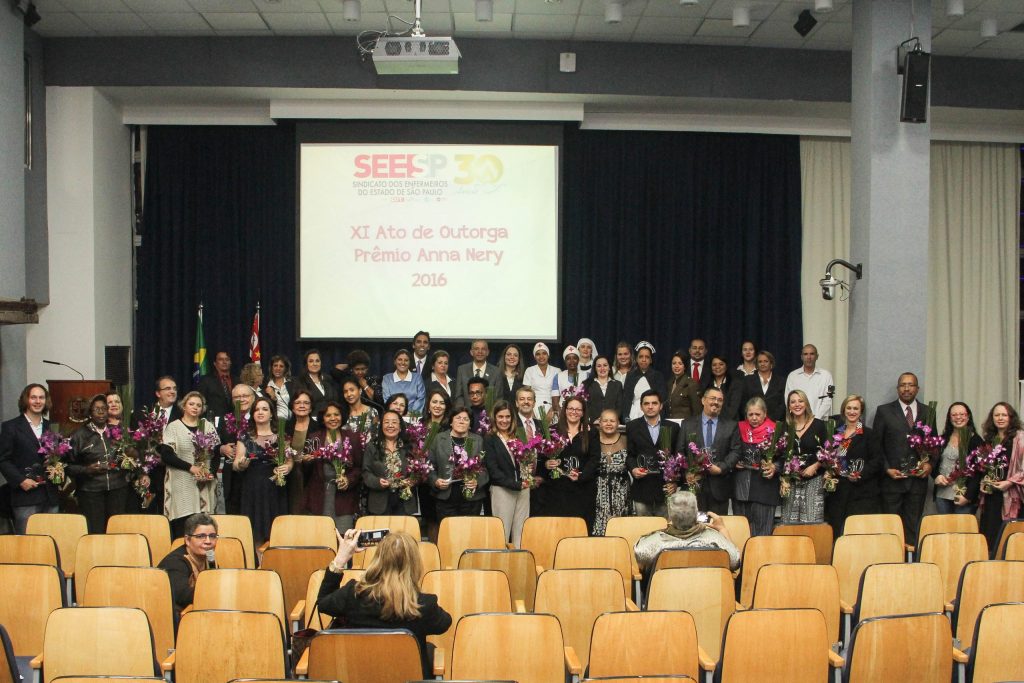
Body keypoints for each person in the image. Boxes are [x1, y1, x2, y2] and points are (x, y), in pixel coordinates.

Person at [318, 530, 452, 678]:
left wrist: (340, 560)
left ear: (378, 560)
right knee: (429, 649)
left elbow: (322, 603)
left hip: (360, 676)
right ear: (414, 565)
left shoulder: (352, 594)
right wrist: (416, 593)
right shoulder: (424, 604)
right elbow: (445, 623)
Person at [873, 372, 932, 547]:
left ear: (917, 389)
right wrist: (886, 468)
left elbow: (933, 443)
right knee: (891, 529)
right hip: (892, 482)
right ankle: (891, 559)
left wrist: (930, 464)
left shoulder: (928, 412)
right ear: (897, 388)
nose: (907, 388)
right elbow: (877, 445)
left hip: (917, 483)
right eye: (903, 385)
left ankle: (911, 560)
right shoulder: (884, 411)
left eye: (910, 385)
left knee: (913, 527)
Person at [159, 391, 220, 538]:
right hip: (182, 484)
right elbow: (167, 455)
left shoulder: (208, 426)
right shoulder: (174, 427)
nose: (195, 407)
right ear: (184, 406)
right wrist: (191, 468)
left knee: (203, 525)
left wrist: (210, 472)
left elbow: (216, 453)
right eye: (191, 404)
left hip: (204, 483)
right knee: (184, 526)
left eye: (199, 405)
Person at [633, 490, 740, 573]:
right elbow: (735, 561)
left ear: (670, 515)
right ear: (696, 512)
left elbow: (640, 560)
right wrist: (722, 529)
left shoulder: (654, 543)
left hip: (666, 595)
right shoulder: (714, 539)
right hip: (707, 594)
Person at [0, 384, 59, 534]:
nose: (38, 401)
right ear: (26, 400)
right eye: (33, 397)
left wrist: (58, 470)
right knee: (27, 543)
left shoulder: (52, 427)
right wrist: (20, 480)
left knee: (51, 540)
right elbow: (3, 460)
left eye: (41, 397)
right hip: (25, 496)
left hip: (50, 495)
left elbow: (57, 456)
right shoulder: (11, 427)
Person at [67, 394, 130, 534]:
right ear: (90, 412)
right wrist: (86, 470)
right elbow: (68, 466)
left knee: (117, 531)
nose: (101, 412)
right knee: (96, 532)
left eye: (104, 408)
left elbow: (128, 457)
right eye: (97, 409)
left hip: (117, 489)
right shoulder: (79, 435)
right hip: (91, 492)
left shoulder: (117, 432)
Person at [234, 396, 292, 544]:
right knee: (254, 530)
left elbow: (289, 460)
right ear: (252, 414)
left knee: (276, 530)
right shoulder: (244, 436)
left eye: (265, 409)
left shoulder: (282, 436)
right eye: (257, 410)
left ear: (271, 414)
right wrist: (241, 464)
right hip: (253, 487)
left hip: (275, 487)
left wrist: (288, 467)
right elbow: (236, 463)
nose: (260, 412)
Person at [825, 395, 883, 537]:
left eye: (856, 409)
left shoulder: (869, 434)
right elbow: (829, 456)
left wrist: (859, 474)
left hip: (861, 493)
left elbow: (877, 461)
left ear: (861, 411)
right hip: (838, 493)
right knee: (837, 533)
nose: (852, 412)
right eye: (849, 408)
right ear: (843, 410)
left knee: (857, 534)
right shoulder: (836, 433)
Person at [678, 386, 742, 516]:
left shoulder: (731, 425)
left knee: (717, 525)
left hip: (720, 487)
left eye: (720, 400)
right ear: (703, 400)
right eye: (713, 398)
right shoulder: (687, 424)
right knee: (693, 525)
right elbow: (680, 452)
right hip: (694, 486)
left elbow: (736, 451)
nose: (716, 402)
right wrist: (687, 472)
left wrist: (721, 468)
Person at [303, 401, 362, 533]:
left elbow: (359, 468)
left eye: (336, 414)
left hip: (344, 499)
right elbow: (306, 472)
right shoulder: (314, 438)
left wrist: (348, 480)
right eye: (328, 415)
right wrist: (306, 462)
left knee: (343, 537)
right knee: (320, 537)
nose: (333, 418)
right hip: (319, 497)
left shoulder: (352, 437)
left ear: (342, 416)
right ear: (322, 419)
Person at [540, 396, 598, 527]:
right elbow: (542, 458)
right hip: (557, 491)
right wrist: (546, 464)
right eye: (571, 408)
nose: (574, 412)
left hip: (583, 490)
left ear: (583, 412)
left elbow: (595, 459)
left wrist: (581, 476)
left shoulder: (591, 432)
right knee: (559, 529)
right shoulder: (552, 431)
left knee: (581, 529)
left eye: (578, 409)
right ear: (565, 410)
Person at [427, 406, 488, 520]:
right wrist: (435, 481)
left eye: (466, 419)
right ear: (451, 422)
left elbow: (485, 467)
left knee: (470, 530)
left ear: (470, 424)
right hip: (446, 497)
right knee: (448, 530)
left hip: (471, 498)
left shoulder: (477, 440)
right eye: (458, 418)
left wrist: (477, 481)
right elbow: (429, 466)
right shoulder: (439, 439)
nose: (461, 421)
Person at [979, 402, 1024, 554]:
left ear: (1011, 417)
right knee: (990, 539)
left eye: (1004, 415)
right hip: (992, 496)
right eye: (997, 415)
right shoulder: (990, 439)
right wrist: (984, 481)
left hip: (1013, 497)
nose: (1000, 418)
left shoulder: (1020, 438)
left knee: (1009, 540)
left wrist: (1009, 482)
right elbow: (985, 466)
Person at [484, 400, 531, 547]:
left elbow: (526, 459)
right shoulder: (490, 438)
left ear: (512, 418)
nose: (504, 420)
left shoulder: (519, 435)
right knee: (502, 534)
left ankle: (519, 560)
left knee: (521, 533)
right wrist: (515, 484)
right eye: (500, 416)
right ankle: (501, 561)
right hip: (502, 490)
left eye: (507, 416)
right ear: (494, 417)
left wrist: (528, 474)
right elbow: (493, 470)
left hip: (523, 489)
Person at [626, 390, 679, 517]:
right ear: (641, 406)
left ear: (661, 406)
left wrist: (676, 482)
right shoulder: (632, 426)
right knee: (643, 527)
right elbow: (629, 455)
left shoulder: (673, 427)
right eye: (646, 403)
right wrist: (633, 469)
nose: (650, 406)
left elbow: (678, 456)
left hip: (666, 489)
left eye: (654, 403)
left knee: (665, 527)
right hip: (642, 488)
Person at [732, 397, 780, 537]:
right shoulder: (738, 428)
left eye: (757, 414)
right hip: (741, 490)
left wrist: (774, 467)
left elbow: (785, 458)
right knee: (741, 534)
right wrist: (734, 462)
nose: (754, 418)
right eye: (750, 414)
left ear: (765, 414)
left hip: (765, 489)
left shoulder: (775, 430)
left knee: (762, 536)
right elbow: (731, 451)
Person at [780, 389, 829, 524]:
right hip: (791, 482)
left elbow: (828, 451)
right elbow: (781, 454)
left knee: (812, 523)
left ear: (806, 404)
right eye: (793, 402)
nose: (797, 404)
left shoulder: (818, 425)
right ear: (789, 406)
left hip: (814, 480)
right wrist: (785, 476)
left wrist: (816, 465)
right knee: (789, 524)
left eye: (800, 401)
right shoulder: (784, 427)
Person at [157, 512, 217, 617]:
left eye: (212, 536)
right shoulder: (175, 563)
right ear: (187, 540)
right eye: (201, 536)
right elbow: (183, 596)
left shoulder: (209, 560)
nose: (208, 541)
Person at [363, 410, 419, 516]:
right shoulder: (372, 446)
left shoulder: (410, 447)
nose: (390, 425)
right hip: (379, 501)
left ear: (400, 426)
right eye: (386, 422)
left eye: (394, 422)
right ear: (381, 426)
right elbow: (366, 473)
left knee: (403, 527)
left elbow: (418, 470)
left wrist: (413, 480)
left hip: (404, 500)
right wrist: (377, 482)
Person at [217, 384, 255, 515]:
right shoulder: (225, 419)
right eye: (237, 397)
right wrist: (221, 448)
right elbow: (215, 444)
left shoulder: (260, 416)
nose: (241, 399)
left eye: (245, 396)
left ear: (253, 398)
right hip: (232, 477)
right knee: (234, 514)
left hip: (254, 473)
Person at [593, 409, 631, 536]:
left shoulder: (626, 439)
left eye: (612, 421)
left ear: (618, 423)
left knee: (621, 531)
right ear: (599, 423)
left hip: (621, 492)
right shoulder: (592, 440)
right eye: (605, 421)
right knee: (599, 530)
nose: (608, 424)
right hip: (598, 492)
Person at [784, 344, 835, 420]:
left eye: (812, 354)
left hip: (820, 421)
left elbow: (829, 399)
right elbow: (788, 399)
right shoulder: (792, 376)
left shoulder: (827, 375)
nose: (809, 357)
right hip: (799, 421)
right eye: (805, 354)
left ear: (817, 356)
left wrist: (816, 419)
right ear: (801, 357)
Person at [621, 342, 667, 421]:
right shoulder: (630, 376)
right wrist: (626, 417)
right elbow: (626, 399)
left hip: (653, 415)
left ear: (651, 360)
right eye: (641, 357)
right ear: (636, 359)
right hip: (634, 415)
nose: (644, 360)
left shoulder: (657, 376)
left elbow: (662, 399)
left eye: (647, 357)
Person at [738, 350, 786, 422]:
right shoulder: (747, 380)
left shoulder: (781, 381)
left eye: (766, 361)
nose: (763, 364)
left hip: (775, 422)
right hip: (752, 422)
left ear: (771, 363)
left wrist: (770, 421)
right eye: (760, 362)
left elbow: (783, 404)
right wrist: (752, 418)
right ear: (756, 364)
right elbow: (743, 403)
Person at [453, 340, 499, 405]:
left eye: (483, 349)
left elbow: (498, 398)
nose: (480, 352)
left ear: (487, 352)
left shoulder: (496, 372)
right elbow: (459, 396)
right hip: (466, 411)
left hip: (489, 411)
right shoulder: (462, 370)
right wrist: (462, 410)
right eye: (476, 349)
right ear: (471, 352)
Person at [296, 348, 339, 416]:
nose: (315, 364)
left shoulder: (328, 379)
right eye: (311, 361)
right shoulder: (301, 381)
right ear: (306, 364)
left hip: (330, 418)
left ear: (321, 363)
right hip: (312, 418)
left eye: (317, 361)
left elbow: (335, 400)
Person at [382, 349, 426, 414]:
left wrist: (410, 414)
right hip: (393, 415)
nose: (403, 363)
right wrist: (397, 414)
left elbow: (421, 398)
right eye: (400, 359)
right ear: (395, 361)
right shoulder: (387, 378)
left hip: (413, 416)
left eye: (406, 360)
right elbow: (387, 399)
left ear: (410, 362)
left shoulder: (417, 378)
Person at [582, 355, 623, 424]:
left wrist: (610, 419)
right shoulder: (586, 384)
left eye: (605, 365)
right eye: (599, 366)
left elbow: (619, 407)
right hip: (593, 423)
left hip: (611, 423)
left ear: (609, 367)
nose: (602, 368)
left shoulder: (617, 385)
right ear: (595, 368)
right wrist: (593, 420)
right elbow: (585, 406)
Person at [523, 342, 559, 417]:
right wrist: (530, 412)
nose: (541, 356)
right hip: (534, 407)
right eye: (538, 354)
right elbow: (526, 393)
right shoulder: (529, 370)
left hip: (553, 406)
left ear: (548, 355)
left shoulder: (557, 371)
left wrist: (553, 410)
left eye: (544, 353)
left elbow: (559, 394)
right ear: (534, 357)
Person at [196, 350, 235, 418]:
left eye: (227, 359)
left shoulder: (238, 380)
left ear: (230, 362)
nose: (224, 362)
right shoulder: (206, 380)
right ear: (215, 363)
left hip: (235, 420)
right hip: (213, 420)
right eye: (221, 359)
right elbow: (200, 402)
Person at [551, 346, 588, 414]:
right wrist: (563, 415)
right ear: (565, 361)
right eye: (568, 359)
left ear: (578, 360)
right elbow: (555, 403)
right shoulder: (558, 376)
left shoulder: (586, 376)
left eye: (574, 358)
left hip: (581, 412)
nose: (572, 361)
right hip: (563, 412)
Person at [666, 351, 701, 421]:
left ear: (685, 366)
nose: (676, 366)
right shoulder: (670, 383)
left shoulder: (691, 383)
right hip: (670, 422)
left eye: (680, 363)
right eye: (674, 363)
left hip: (686, 424)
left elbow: (697, 410)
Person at [264, 355, 297, 420]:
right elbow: (266, 408)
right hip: (275, 421)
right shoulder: (265, 386)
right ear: (271, 368)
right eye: (275, 365)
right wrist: (273, 398)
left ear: (285, 369)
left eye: (281, 366)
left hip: (293, 420)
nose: (278, 368)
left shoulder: (293, 383)